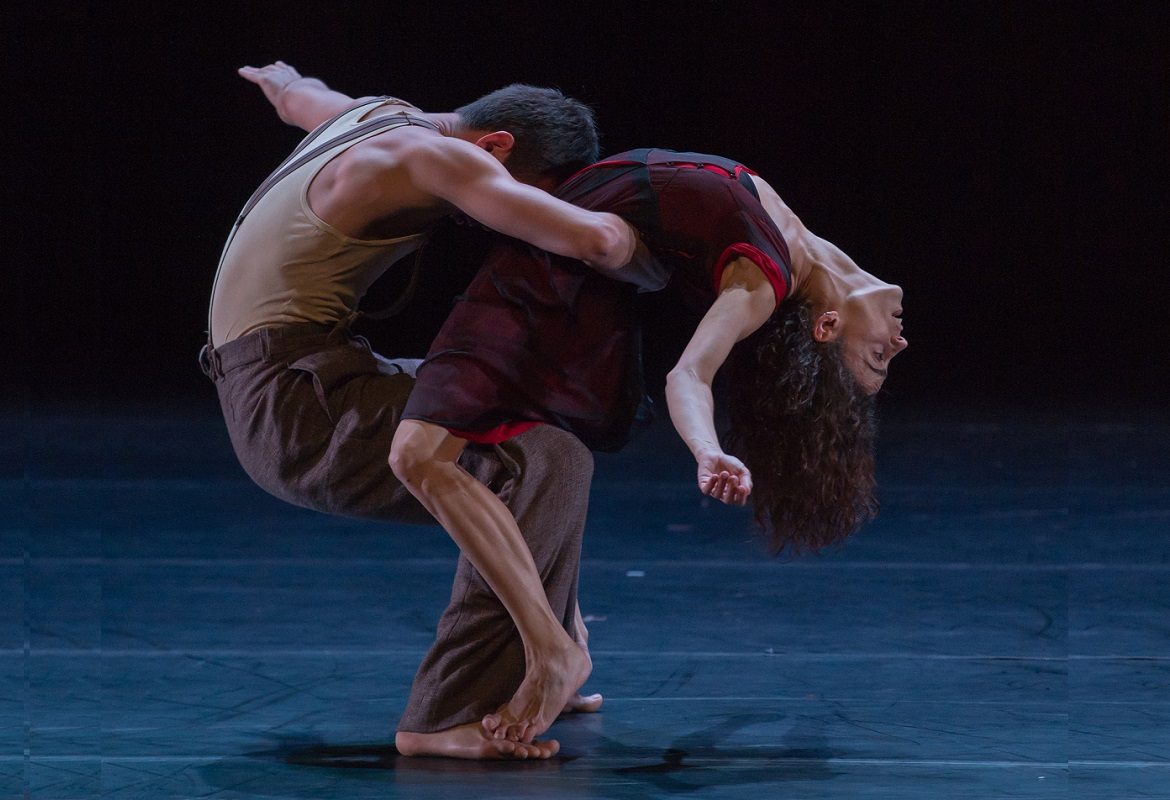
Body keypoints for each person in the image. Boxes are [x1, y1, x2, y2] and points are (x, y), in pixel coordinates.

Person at [202, 62, 647, 759]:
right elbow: (596, 240)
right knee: (537, 456)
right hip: (290, 406)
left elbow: (307, 102)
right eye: (512, 189)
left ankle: (547, 652)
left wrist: (280, 81)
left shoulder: (381, 114)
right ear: (496, 145)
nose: (497, 208)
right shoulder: (432, 154)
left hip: (308, 371)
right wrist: (687, 230)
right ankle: (447, 713)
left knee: (543, 418)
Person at [390, 149, 908, 741]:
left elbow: (688, 374)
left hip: (542, 288)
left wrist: (708, 450)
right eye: (885, 356)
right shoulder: (793, 235)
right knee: (538, 463)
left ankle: (552, 650)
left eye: (879, 356)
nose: (901, 342)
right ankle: (570, 636)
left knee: (420, 456)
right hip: (578, 282)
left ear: (828, 326)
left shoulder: (764, 279)